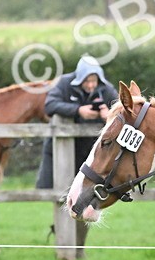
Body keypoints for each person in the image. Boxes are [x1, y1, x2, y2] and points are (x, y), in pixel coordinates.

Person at [35, 54, 117, 190]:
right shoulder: (64, 83)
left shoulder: (107, 89)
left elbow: (122, 112)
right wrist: (78, 110)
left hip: (90, 151)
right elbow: (49, 105)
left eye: (93, 81)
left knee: (85, 191)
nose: (91, 85)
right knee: (50, 188)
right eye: (87, 81)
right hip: (61, 148)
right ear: (79, 78)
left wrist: (109, 115)